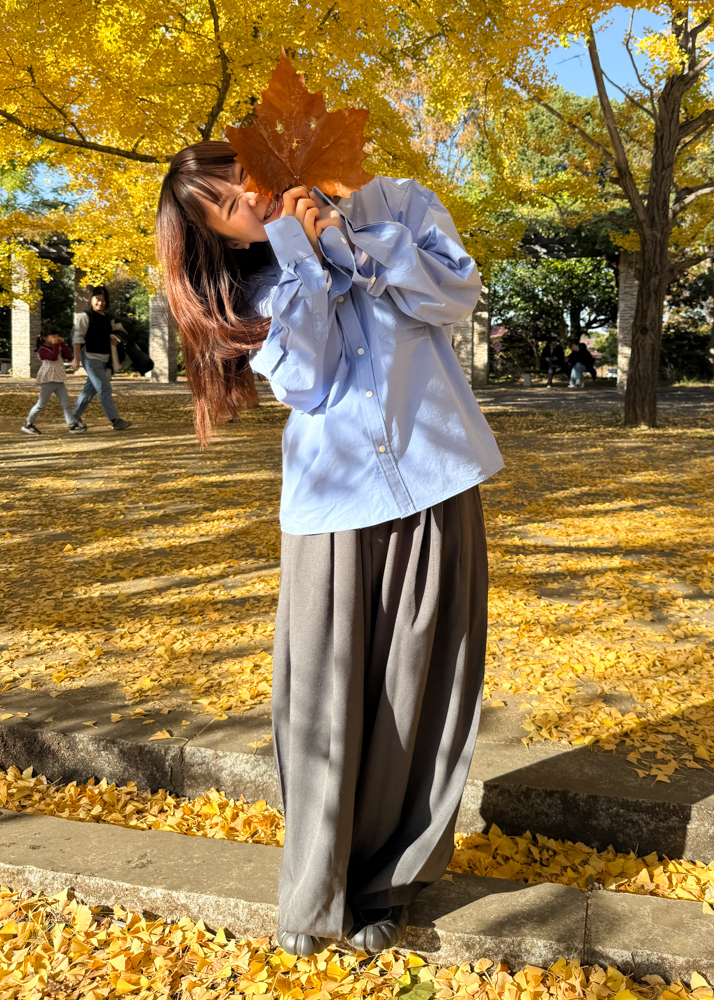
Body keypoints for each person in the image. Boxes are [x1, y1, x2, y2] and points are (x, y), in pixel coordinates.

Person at [155, 141, 504, 958]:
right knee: (319, 695)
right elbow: (305, 382)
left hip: (435, 475)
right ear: (223, 238)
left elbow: (456, 294)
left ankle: (389, 881)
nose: (250, 201)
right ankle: (316, 888)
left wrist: (352, 239)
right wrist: (301, 254)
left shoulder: (400, 201)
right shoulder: (259, 282)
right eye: (229, 210)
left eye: (243, 180)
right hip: (331, 507)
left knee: (419, 687)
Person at [70, 286, 132, 430]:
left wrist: (115, 340)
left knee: (89, 390)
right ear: (91, 299)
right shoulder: (85, 316)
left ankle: (74, 418)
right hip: (90, 357)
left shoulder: (108, 318)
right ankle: (115, 420)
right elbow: (77, 338)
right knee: (104, 387)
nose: (100, 303)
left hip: (105, 358)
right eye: (97, 299)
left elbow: (113, 335)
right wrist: (76, 358)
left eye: (103, 300)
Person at [21, 332, 80, 435]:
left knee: (66, 403)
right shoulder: (42, 350)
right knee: (41, 403)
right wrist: (55, 344)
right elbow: (53, 357)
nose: (56, 338)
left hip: (59, 380)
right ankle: (28, 423)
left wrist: (62, 344)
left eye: (57, 336)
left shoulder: (57, 346)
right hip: (49, 380)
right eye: (52, 336)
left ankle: (72, 424)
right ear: (45, 338)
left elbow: (68, 356)